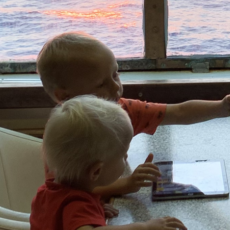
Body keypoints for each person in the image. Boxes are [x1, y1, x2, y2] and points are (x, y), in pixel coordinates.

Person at [37, 33, 230, 198]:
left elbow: (179, 112)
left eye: (115, 75)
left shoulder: (123, 109)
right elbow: (63, 193)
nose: (116, 87)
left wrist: (221, 108)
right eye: (101, 84)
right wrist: (127, 184)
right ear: (65, 96)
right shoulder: (64, 135)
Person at [30, 95, 187, 230]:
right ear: (96, 171)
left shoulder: (46, 192)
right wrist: (144, 227)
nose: (126, 159)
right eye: (122, 156)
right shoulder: (77, 205)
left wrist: (94, 213)